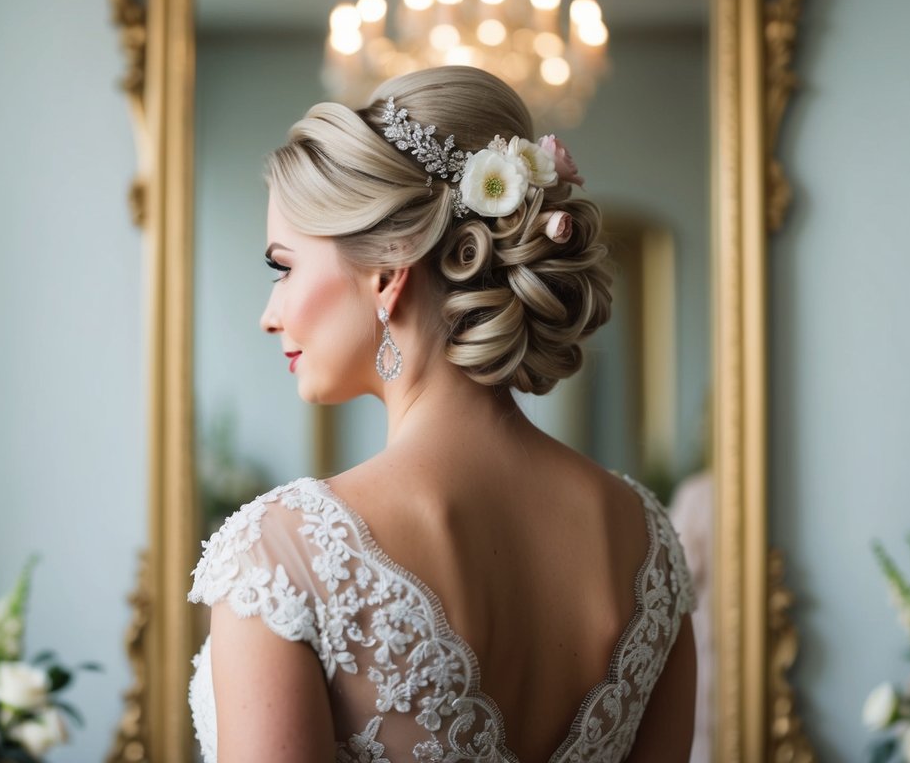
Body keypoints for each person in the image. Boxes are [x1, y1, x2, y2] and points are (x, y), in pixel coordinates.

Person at [188, 66, 696, 762]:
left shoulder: (282, 556)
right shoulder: (648, 546)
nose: (268, 315)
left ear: (387, 272)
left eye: (283, 266)